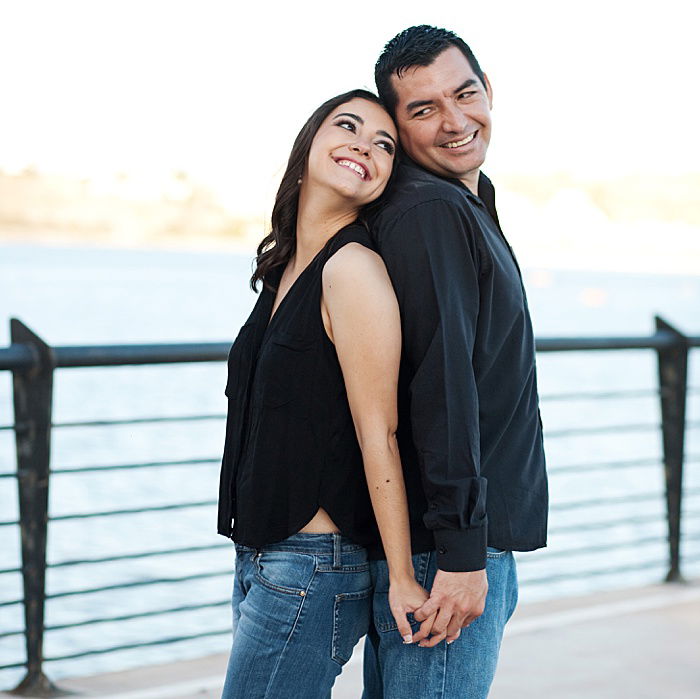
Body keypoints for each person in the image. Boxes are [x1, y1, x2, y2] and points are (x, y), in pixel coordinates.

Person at [216, 89, 427, 699]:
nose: (365, 145)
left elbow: (378, 430)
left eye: (384, 145)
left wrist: (403, 576)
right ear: (310, 141)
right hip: (260, 553)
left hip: (314, 565)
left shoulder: (352, 268)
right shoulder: (285, 267)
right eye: (349, 126)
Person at [361, 26, 550, 699]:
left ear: (487, 89)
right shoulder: (431, 211)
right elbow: (440, 387)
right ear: (399, 126)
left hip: (456, 537)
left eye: (464, 94)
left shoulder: (466, 199)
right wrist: (464, 555)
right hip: (448, 547)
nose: (454, 121)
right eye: (423, 109)